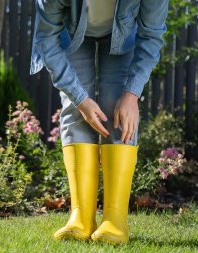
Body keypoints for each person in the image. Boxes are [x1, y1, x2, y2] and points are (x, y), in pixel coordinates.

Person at [30, 0, 169, 245]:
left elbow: (152, 36)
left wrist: (131, 94)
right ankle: (81, 218)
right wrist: (81, 100)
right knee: (75, 111)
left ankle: (115, 221)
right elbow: (46, 40)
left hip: (123, 39)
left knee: (117, 111)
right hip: (71, 36)